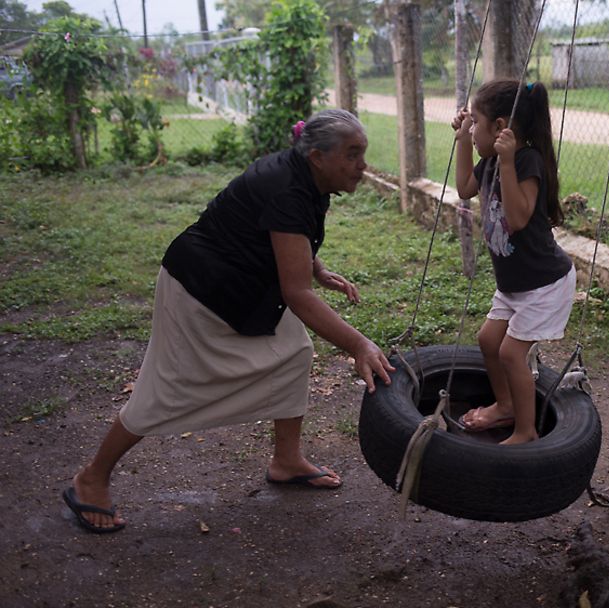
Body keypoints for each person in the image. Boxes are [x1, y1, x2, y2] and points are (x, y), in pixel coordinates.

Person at [62, 109, 395, 533]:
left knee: (294, 351)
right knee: (166, 388)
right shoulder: (289, 190)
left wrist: (315, 266)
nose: (362, 166)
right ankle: (90, 479)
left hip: (241, 285)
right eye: (352, 155)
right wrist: (359, 345)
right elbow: (296, 294)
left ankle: (287, 461)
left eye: (361, 154)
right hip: (199, 290)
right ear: (317, 156)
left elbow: (281, 234)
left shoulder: (306, 176)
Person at [451, 79, 576, 445]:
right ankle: (505, 405)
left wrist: (506, 160)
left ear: (501, 127)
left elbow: (518, 219)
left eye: (476, 122)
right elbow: (463, 190)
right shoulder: (490, 161)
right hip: (514, 283)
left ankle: (526, 430)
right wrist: (462, 142)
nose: (472, 129)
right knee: (488, 341)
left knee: (510, 353)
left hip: (544, 283)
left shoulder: (524, 161)